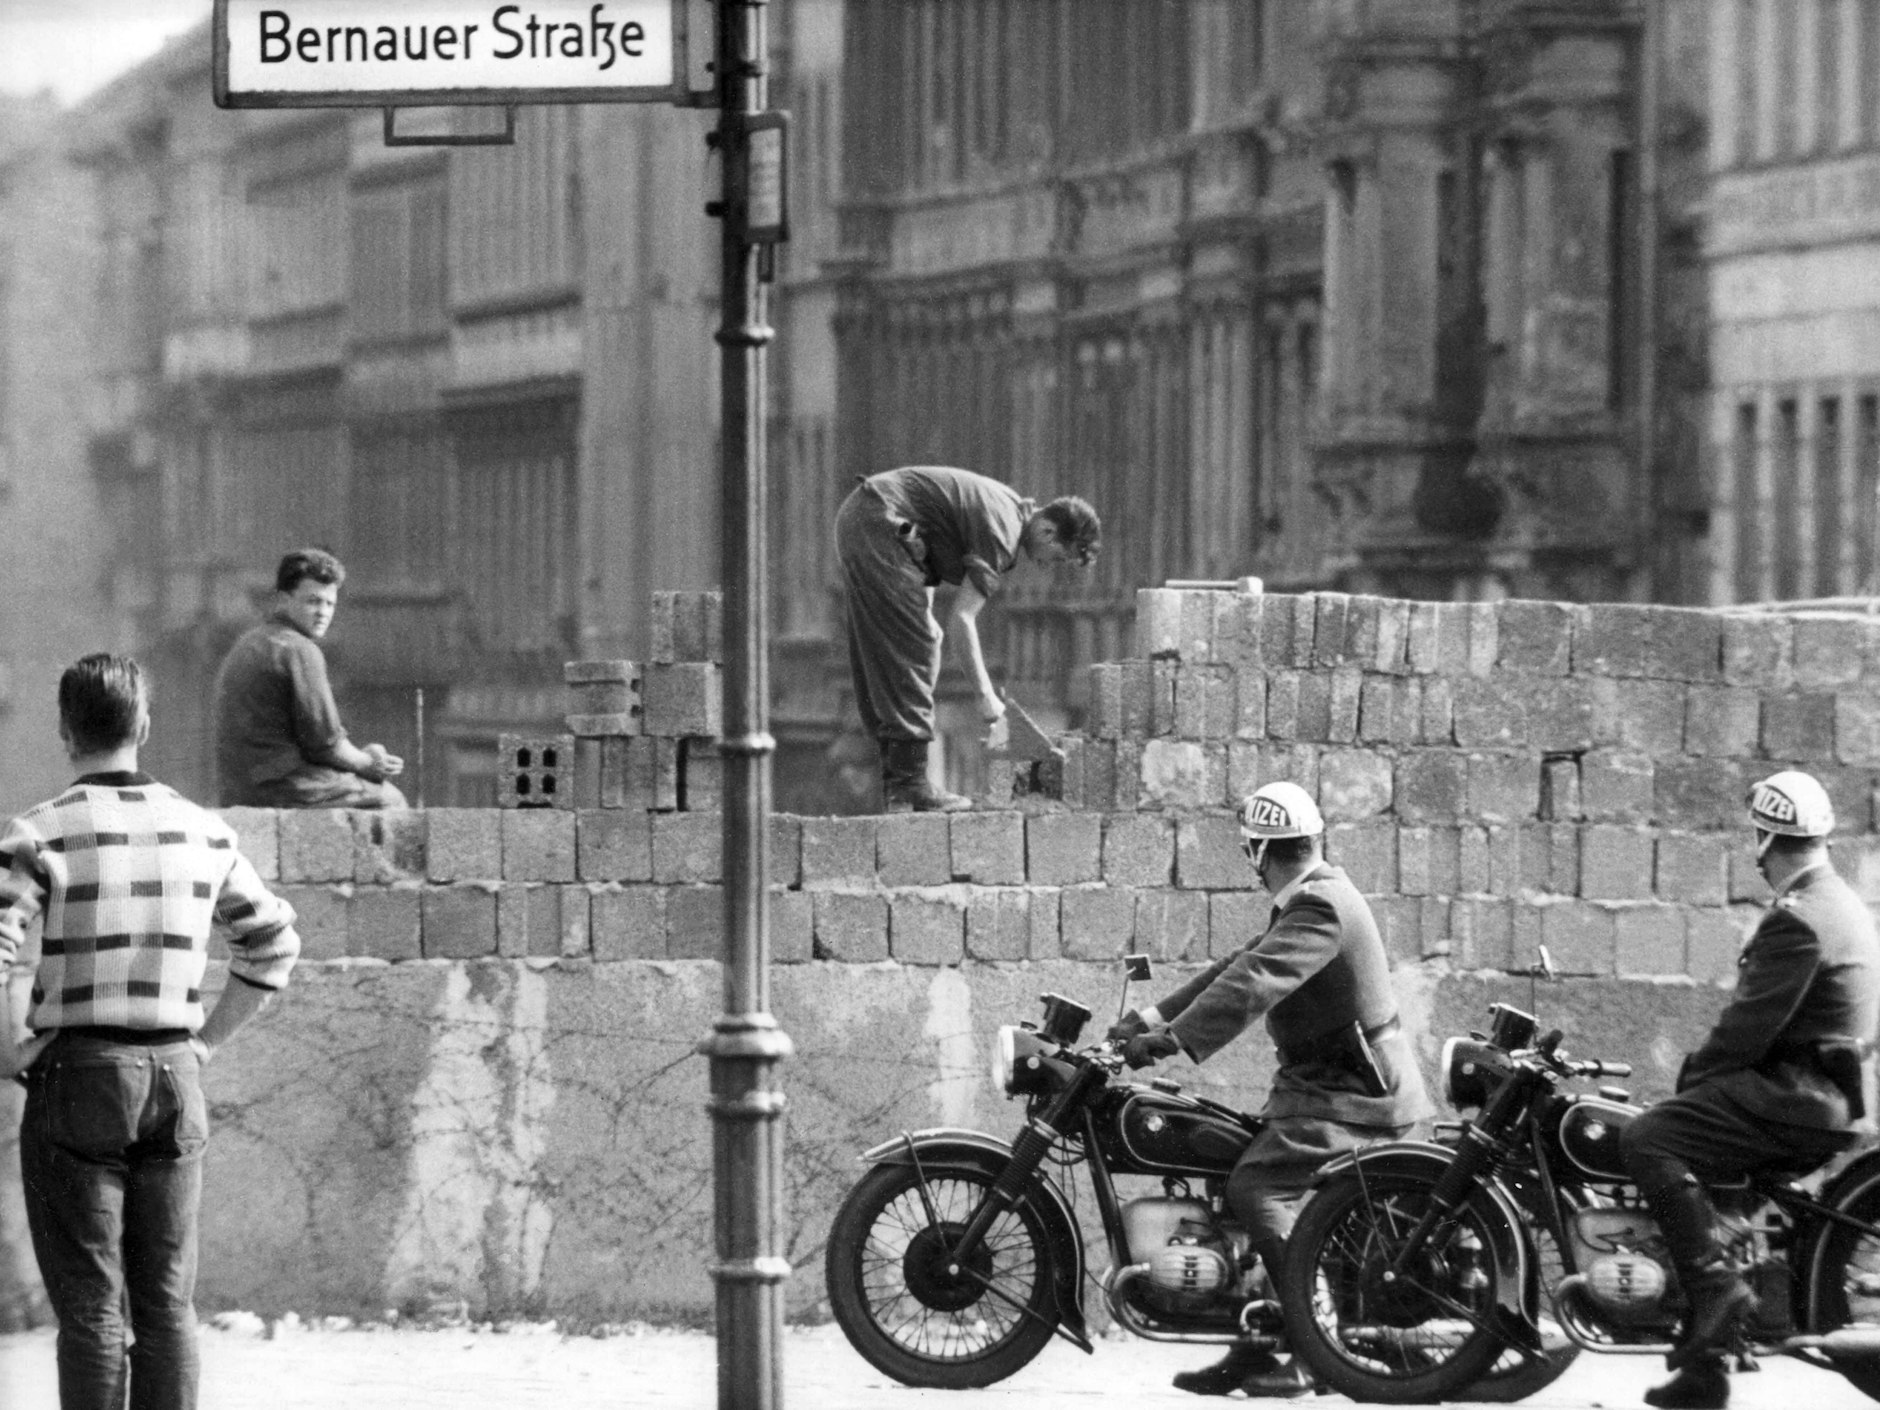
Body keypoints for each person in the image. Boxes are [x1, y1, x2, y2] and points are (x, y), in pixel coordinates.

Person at [0, 653, 302, 1410]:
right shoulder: (203, 832)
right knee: (167, 1309)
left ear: (68, 731)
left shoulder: (38, 834)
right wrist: (202, 1042)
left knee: (93, 1313)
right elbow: (273, 945)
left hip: (76, 1076)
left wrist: (7, 1044)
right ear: (144, 725)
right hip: (174, 1077)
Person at [1109, 781, 1434, 1397]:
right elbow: (1238, 963)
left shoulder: (1320, 907)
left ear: (1259, 851)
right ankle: (1256, 1347)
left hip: (1357, 1097)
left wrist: (1170, 1043)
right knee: (1230, 1167)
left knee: (1258, 1187)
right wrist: (1147, 1021)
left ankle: (1317, 1349)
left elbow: (1252, 984)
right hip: (1326, 1087)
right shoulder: (1312, 898)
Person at [1620, 770, 1880, 1410]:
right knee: (1699, 1181)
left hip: (1795, 1098)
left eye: (1756, 841)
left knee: (1649, 1135)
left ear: (1765, 839)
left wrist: (1689, 1082)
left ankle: (1714, 1290)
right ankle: (1704, 1371)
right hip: (1821, 1095)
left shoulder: (1799, 919)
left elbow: (1747, 1030)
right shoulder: (1840, 902)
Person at [833, 466, 1100, 812]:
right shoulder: (1004, 530)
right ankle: (910, 783)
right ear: (1048, 531)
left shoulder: (1009, 506)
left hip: (869, 519)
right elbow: (963, 618)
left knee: (914, 639)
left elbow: (926, 534)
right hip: (879, 523)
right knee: (916, 646)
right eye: (1059, 558)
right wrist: (988, 699)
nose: (1049, 566)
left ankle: (899, 779)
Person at [213, 548, 407, 808]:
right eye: (313, 601)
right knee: (391, 800)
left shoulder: (250, 642)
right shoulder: (298, 649)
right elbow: (326, 746)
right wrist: (368, 762)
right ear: (284, 599)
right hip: (283, 788)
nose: (323, 612)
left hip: (239, 789)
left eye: (330, 604)